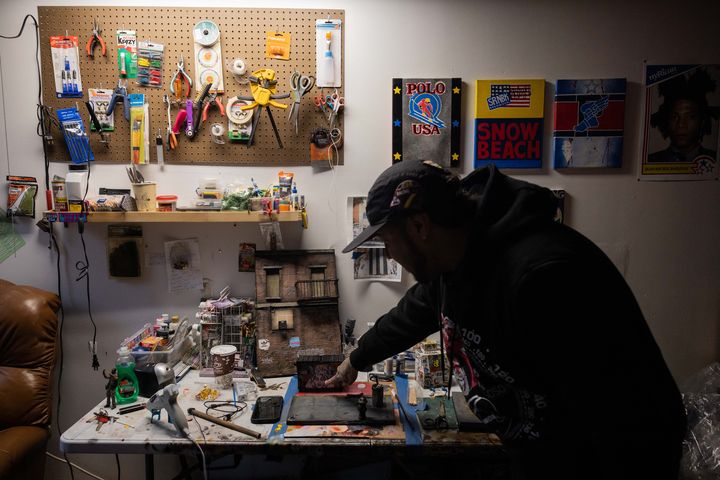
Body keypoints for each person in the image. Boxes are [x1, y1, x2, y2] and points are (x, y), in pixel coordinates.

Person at [326, 160, 686, 479]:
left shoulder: (545, 277)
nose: (389, 254)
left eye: (388, 242)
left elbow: (615, 421)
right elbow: (413, 313)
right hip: (537, 450)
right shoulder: (454, 263)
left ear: (420, 226)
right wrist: (355, 361)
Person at [648, 68, 718, 163]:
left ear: (703, 121)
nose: (681, 124)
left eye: (690, 117)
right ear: (666, 120)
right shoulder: (652, 161)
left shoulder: (715, 161)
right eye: (674, 117)